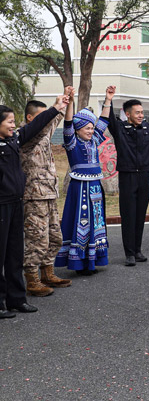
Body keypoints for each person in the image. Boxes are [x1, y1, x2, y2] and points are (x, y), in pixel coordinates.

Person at [0, 93, 69, 318]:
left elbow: (46, 123)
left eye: (13, 121)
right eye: (9, 121)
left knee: (17, 252)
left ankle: (17, 298)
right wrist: (55, 108)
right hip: (21, 198)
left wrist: (60, 106)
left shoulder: (14, 139)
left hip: (26, 198)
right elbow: (39, 125)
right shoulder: (24, 139)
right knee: (30, 244)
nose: (13, 124)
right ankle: (23, 287)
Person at [102, 86, 149, 266]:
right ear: (128, 114)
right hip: (127, 178)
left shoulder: (148, 129)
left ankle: (137, 250)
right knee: (128, 216)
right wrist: (108, 100)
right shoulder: (120, 129)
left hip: (144, 177)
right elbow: (108, 119)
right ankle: (129, 253)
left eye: (142, 112)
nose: (141, 115)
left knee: (140, 215)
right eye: (138, 112)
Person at [19, 90, 72, 297]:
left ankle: (47, 272)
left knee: (55, 238)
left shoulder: (44, 132)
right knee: (37, 240)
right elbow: (48, 120)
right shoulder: (26, 135)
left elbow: (55, 118)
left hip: (49, 194)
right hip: (34, 196)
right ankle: (32, 280)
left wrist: (64, 102)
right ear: (31, 118)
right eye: (41, 117)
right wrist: (55, 108)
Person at [55, 91, 113, 274]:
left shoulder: (94, 140)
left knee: (96, 222)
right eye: (87, 128)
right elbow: (67, 124)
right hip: (79, 188)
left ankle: (93, 259)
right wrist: (71, 102)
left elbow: (103, 122)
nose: (90, 131)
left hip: (95, 187)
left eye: (91, 128)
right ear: (77, 129)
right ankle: (79, 261)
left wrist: (108, 100)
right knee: (81, 222)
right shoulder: (72, 143)